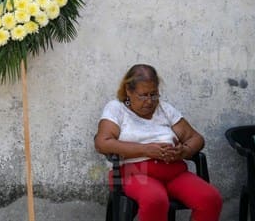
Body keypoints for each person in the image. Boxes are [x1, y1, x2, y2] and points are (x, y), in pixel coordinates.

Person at [94, 64, 222, 221]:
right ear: (129, 91)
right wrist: (146, 150)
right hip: (135, 173)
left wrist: (184, 151)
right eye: (143, 95)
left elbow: (196, 138)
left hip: (174, 172)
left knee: (210, 199)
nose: (149, 101)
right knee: (155, 200)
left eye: (153, 95)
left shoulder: (165, 110)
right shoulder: (116, 109)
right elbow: (102, 143)